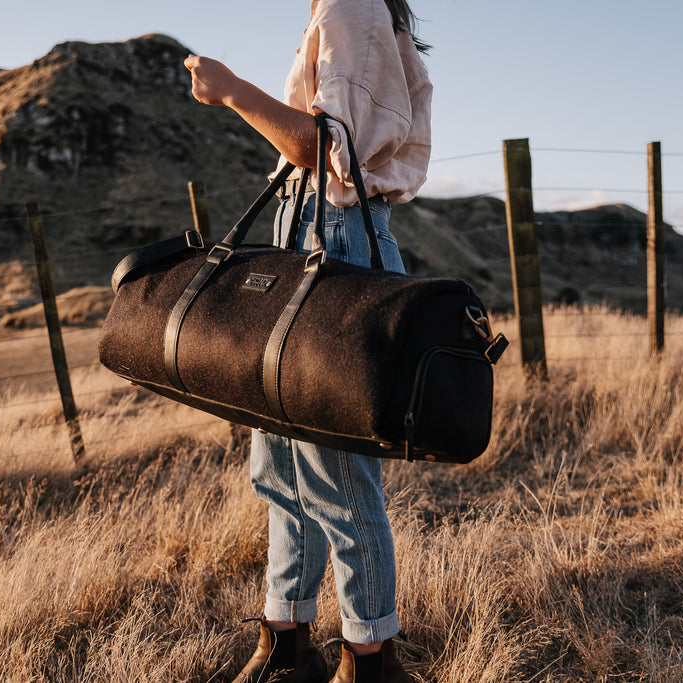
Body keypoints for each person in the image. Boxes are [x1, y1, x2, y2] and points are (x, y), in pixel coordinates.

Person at [185, 1, 432, 681]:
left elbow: (322, 148)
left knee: (335, 475)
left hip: (338, 239)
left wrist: (228, 87)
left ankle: (369, 657)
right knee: (281, 465)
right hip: (310, 232)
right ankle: (285, 637)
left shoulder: (352, 3)